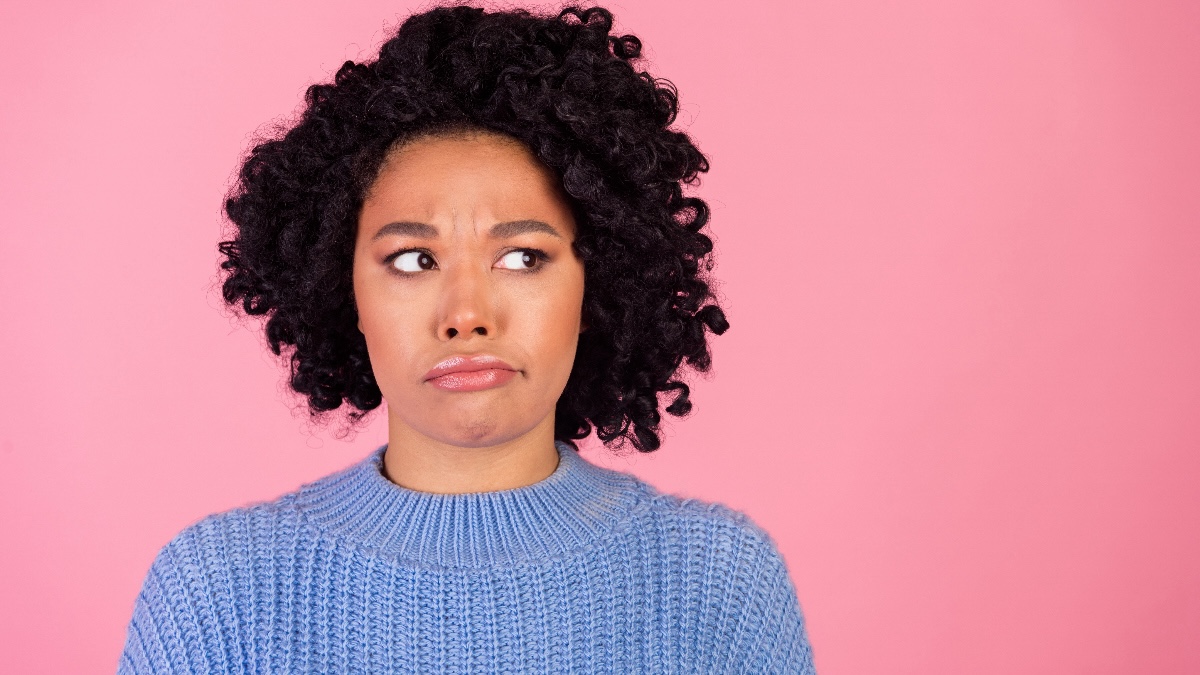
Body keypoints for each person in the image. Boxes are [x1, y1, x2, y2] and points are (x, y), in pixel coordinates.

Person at [118, 5, 817, 673]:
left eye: (523, 257)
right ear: (345, 290)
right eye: (412, 260)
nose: (467, 314)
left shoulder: (719, 585)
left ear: (595, 285)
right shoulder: (218, 593)